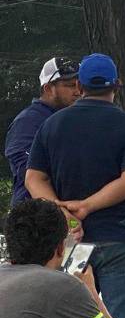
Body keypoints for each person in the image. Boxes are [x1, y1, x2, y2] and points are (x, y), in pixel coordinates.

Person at [25, 53, 125, 318]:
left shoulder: (52, 126)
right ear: (115, 87)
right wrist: (88, 206)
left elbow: (33, 178)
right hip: (120, 241)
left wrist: (61, 210)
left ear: (79, 85)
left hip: (72, 246)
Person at [4, 58, 81, 207]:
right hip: (35, 216)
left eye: (79, 85)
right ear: (48, 89)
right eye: (70, 86)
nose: (78, 91)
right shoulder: (28, 121)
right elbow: (25, 169)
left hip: (71, 213)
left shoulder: (76, 119)